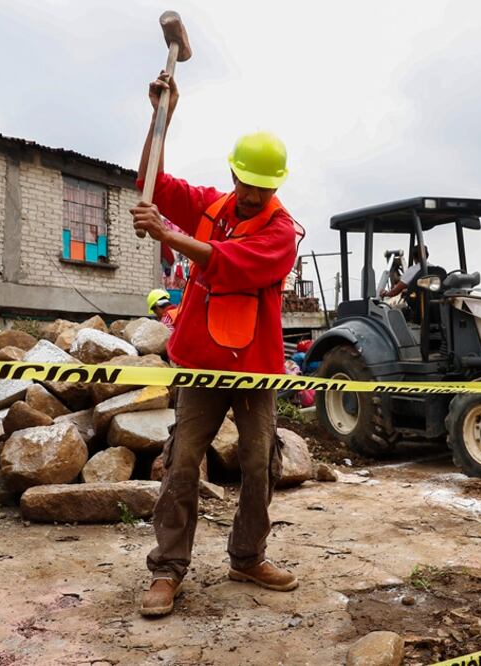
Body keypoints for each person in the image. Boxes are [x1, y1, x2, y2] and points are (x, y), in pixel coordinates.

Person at [131, 70, 304, 618]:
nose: (253, 194)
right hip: (201, 362)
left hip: (255, 369)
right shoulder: (210, 208)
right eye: (247, 183)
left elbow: (227, 265)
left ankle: (247, 556)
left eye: (264, 187)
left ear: (276, 186)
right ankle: (167, 570)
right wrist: (162, 118)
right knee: (181, 462)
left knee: (259, 464)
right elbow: (153, 184)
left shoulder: (281, 234)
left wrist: (169, 235)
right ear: (234, 173)